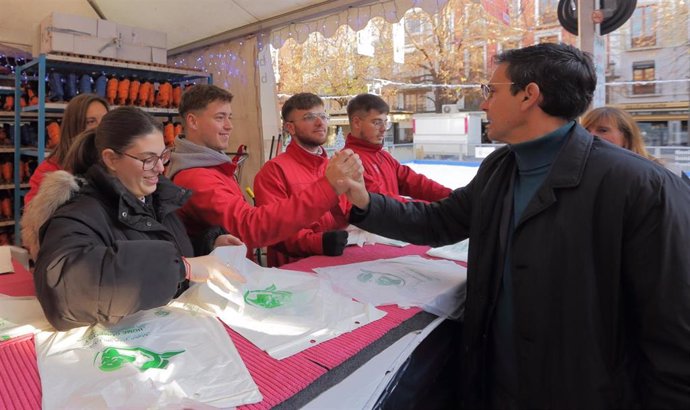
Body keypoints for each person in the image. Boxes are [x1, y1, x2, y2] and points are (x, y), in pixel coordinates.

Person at [340, 43, 690, 409]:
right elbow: (440, 221)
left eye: (491, 90)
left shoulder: (642, 187)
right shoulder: (500, 168)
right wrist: (362, 199)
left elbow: (674, 337)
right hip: (496, 384)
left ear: (529, 95)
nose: (485, 103)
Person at [21, 107, 243, 331]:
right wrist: (181, 267)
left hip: (174, 331)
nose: (159, 167)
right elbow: (63, 290)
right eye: (148, 159)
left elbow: (157, 247)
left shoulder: (155, 198)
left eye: (163, 156)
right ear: (111, 159)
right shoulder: (78, 214)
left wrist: (207, 246)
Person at [167, 85, 361, 261]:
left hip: (244, 272)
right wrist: (327, 189)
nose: (229, 125)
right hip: (237, 279)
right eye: (220, 117)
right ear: (192, 121)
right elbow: (250, 227)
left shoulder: (214, 168)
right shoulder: (196, 177)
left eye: (229, 117)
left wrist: (360, 207)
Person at [253, 93, 350, 266]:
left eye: (323, 116)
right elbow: (274, 229)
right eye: (309, 117)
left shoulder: (332, 167)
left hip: (338, 262)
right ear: (290, 128)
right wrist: (319, 243)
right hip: (296, 271)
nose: (320, 123)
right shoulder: (274, 171)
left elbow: (345, 214)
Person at [343, 93, 451, 202]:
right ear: (357, 122)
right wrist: (436, 210)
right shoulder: (349, 162)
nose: (384, 129)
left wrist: (452, 197)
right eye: (377, 122)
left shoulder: (383, 156)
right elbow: (381, 202)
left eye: (385, 122)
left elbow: (414, 182)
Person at [24, 93, 109, 204]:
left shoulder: (117, 161)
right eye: (91, 122)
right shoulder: (50, 169)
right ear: (74, 125)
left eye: (105, 120)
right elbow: (34, 217)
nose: (100, 127)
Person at [581, 106, 661, 163]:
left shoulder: (651, 172)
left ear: (626, 136)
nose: (591, 135)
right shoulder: (577, 168)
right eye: (586, 130)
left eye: (603, 130)